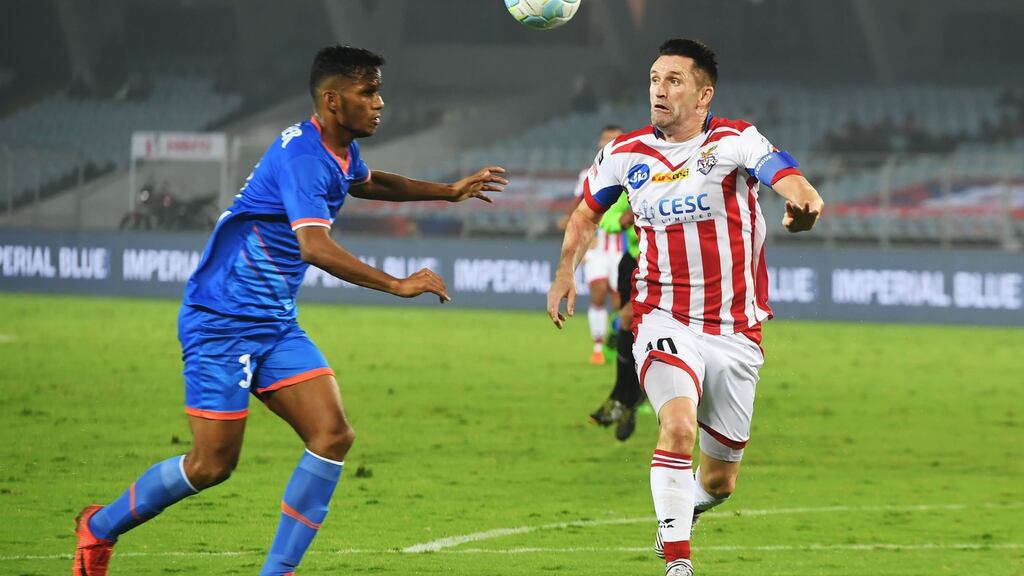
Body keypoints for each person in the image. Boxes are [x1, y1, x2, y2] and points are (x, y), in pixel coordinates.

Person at [73, 45, 507, 576]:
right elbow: (314, 247)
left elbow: (366, 181)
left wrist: (448, 192)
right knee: (211, 465)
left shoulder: (337, 148)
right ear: (333, 99)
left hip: (273, 323)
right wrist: (395, 284)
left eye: (377, 91)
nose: (379, 103)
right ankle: (99, 527)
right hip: (222, 320)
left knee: (333, 435)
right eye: (368, 92)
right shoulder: (304, 158)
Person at [547, 38, 823, 576]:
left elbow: (783, 172)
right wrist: (564, 272)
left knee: (720, 482)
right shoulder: (625, 153)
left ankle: (677, 512)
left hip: (736, 330)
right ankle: (678, 563)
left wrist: (805, 199)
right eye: (655, 79)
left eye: (674, 80)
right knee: (676, 426)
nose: (660, 89)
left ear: (703, 94)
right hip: (662, 316)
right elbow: (585, 214)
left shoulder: (733, 140)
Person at [558, 124, 624, 364]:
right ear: (600, 143)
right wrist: (569, 220)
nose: (610, 143)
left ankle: (614, 339)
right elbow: (579, 201)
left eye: (615, 139)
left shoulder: (633, 169)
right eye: (606, 139)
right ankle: (597, 346)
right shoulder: (589, 173)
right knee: (598, 293)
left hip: (623, 245)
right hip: (596, 245)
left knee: (620, 301)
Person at [586, 192, 645, 441]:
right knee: (628, 319)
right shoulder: (633, 181)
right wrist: (621, 220)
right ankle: (624, 399)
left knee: (647, 326)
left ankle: (635, 395)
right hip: (635, 261)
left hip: (673, 262)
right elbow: (606, 217)